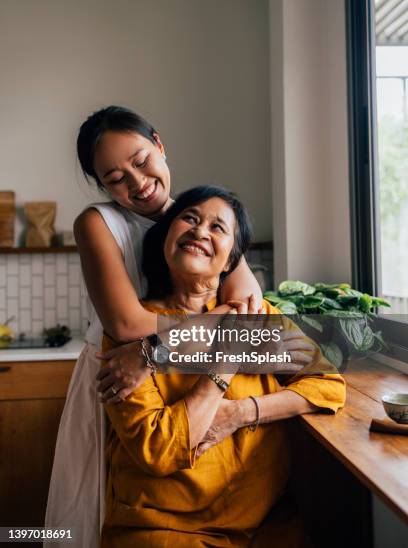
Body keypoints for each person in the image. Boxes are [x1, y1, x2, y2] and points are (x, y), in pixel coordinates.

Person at [45, 107, 265, 548]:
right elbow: (126, 323)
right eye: (115, 177)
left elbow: (251, 312)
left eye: (141, 160)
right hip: (120, 381)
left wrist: (154, 351)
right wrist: (215, 321)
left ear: (160, 145)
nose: (137, 182)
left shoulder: (201, 216)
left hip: (179, 376)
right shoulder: (97, 222)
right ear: (101, 185)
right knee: (99, 516)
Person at [101, 185, 346, 548]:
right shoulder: (133, 332)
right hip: (163, 530)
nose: (200, 231)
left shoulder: (255, 316)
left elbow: (327, 383)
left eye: (218, 227)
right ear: (166, 238)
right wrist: (225, 364)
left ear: (232, 260)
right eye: (189, 218)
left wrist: (242, 413)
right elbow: (159, 449)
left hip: (266, 525)